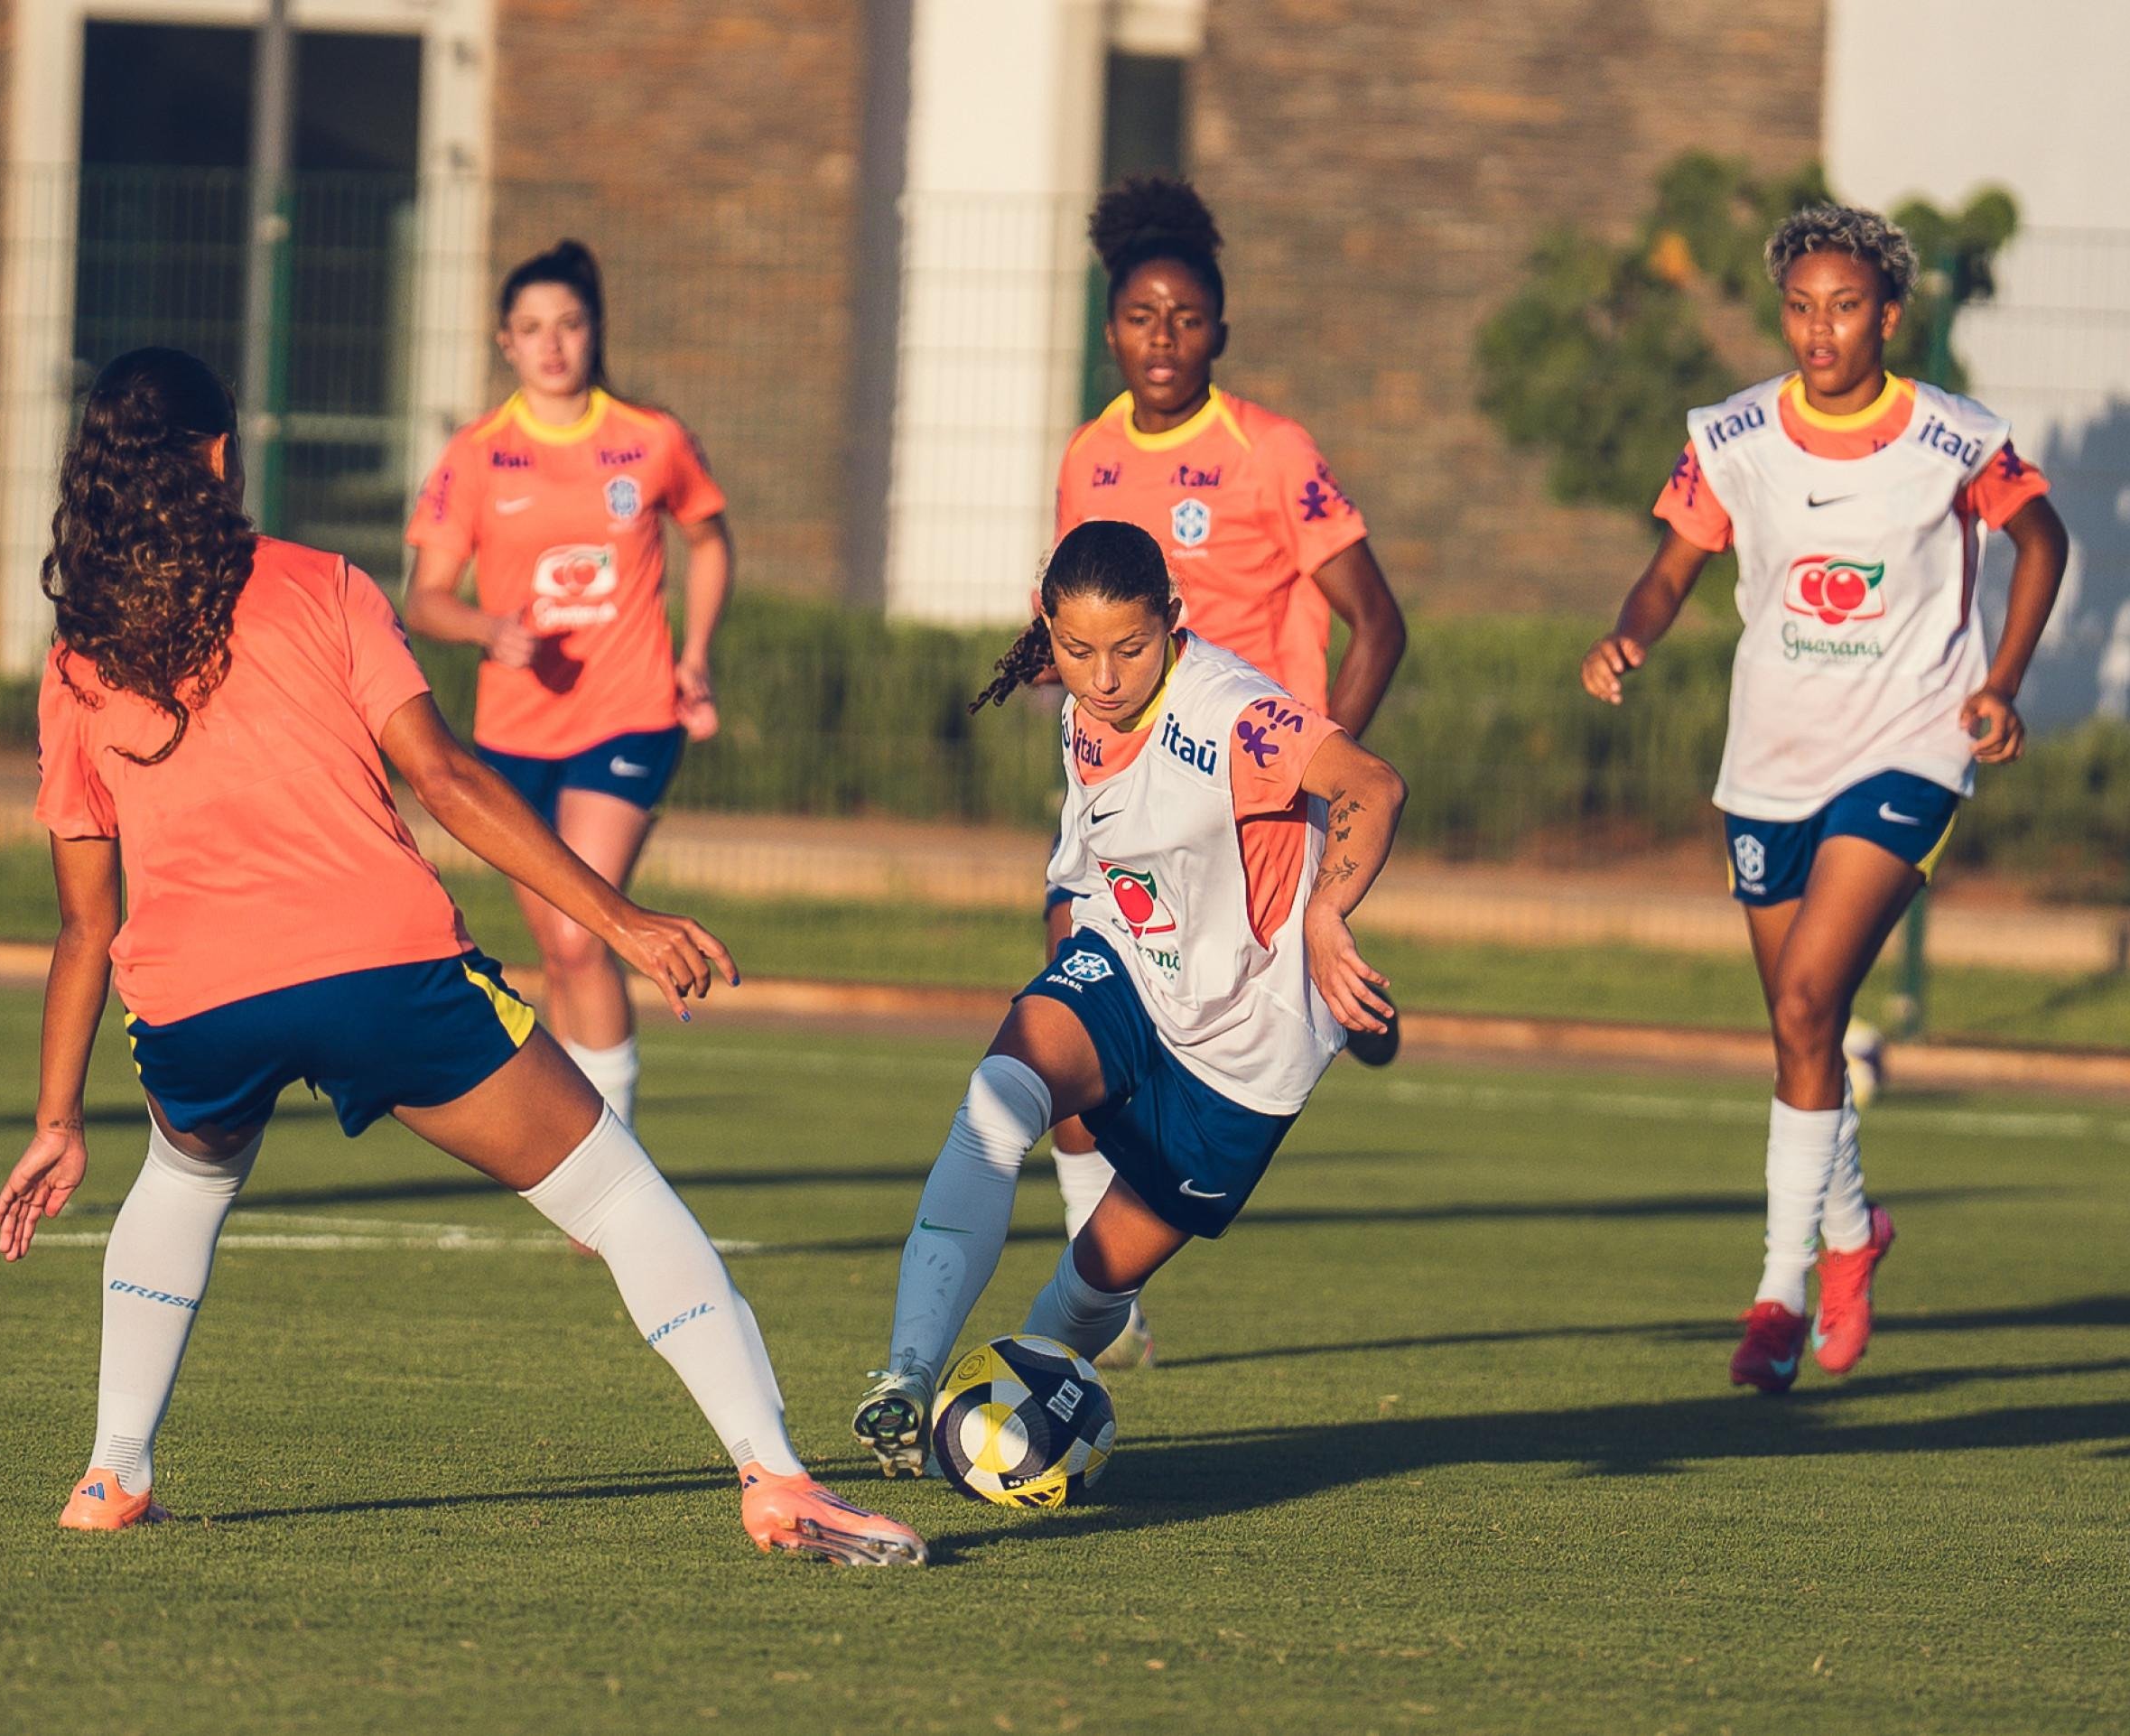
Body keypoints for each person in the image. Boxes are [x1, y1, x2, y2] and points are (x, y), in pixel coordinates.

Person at [0, 348, 920, 1566]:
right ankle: (779, 1478)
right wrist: (625, 919)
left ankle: (113, 1477)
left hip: (196, 1003)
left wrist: (58, 1115)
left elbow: (83, 924)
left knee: (186, 1181)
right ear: (222, 454)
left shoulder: (79, 654)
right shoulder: (321, 582)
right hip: (383, 973)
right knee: (617, 1194)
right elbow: (447, 776)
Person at [1581, 204, 2069, 1395]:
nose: (1819, 329)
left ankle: (1776, 1293)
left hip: (1910, 747)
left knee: (1810, 996)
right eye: (1801, 306)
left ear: (1889, 315)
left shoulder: (1956, 440)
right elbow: (1672, 564)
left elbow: (2044, 542)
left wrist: (2000, 686)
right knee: (1801, 1033)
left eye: (1844, 306)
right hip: (1770, 763)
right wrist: (1627, 636)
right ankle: (1854, 1234)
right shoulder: (1734, 433)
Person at [852, 520, 1407, 1475]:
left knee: (1092, 1286)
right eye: (1076, 651)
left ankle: (1009, 1421)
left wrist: (1328, 912)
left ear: (1173, 622)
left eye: (1130, 649)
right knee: (996, 1101)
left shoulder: (1234, 712)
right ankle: (905, 1379)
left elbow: (1373, 783)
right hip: (1127, 972)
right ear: (1048, 630)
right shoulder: (1080, 711)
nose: (1103, 678)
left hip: (1247, 1047)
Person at [1041, 175, 1411, 1367]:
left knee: (1210, 1028)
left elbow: (1378, 623)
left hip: (1239, 805)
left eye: (1189, 319)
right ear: (1111, 328)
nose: (1165, 339)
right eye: (1144, 318)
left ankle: (1329, 1002)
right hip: (1115, 794)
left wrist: (1306, 782)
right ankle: (1098, 1304)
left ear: (1221, 330)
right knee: (1067, 1015)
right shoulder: (1088, 456)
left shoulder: (1269, 452)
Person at [403, 239, 730, 1136]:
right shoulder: (477, 454)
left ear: (594, 332)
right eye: (533, 328)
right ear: (505, 342)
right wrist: (484, 627)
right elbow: (424, 598)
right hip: (512, 736)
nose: (553, 344)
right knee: (557, 946)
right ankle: (596, 1141)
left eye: (570, 324)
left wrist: (694, 653)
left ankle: (612, 1149)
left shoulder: (649, 438)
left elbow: (708, 539)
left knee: (587, 931)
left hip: (628, 715)